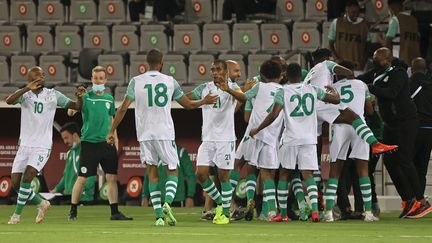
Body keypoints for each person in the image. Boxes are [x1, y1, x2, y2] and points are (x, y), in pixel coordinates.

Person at [107, 49, 216, 226]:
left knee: (152, 173)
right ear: (162, 62)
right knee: (172, 170)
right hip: (164, 132)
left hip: (144, 134)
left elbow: (123, 108)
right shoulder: (170, 81)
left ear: (146, 63)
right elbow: (187, 105)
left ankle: (158, 216)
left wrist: (112, 131)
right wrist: (204, 101)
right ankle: (167, 203)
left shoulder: (136, 81)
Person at [250, 62, 341, 223]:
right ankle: (314, 210)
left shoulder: (282, 91)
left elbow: (273, 115)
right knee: (308, 174)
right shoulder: (313, 89)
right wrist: (334, 91)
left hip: (290, 138)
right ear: (302, 75)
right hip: (309, 139)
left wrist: (257, 128)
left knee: (284, 174)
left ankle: (283, 213)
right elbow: (335, 100)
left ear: (287, 75)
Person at [5, 66, 84, 224]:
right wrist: (26, 88)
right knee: (15, 183)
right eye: (37, 76)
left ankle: (16, 216)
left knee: (27, 178)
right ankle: (41, 203)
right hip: (25, 145)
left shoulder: (53, 95)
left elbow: (76, 106)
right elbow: (9, 101)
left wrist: (80, 98)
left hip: (42, 145)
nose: (41, 77)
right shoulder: (25, 95)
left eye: (42, 75)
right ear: (30, 79)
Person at [368, 47, 431, 218]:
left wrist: (369, 88)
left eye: (377, 58)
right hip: (390, 124)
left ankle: (422, 201)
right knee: (389, 160)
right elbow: (362, 80)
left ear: (387, 59)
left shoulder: (399, 73)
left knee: (404, 158)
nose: (374, 61)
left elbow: (391, 93)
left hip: (406, 122)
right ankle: (408, 199)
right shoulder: (376, 73)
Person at [304, 48, 398, 155]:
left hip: (308, 108)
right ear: (327, 58)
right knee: (353, 117)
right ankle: (376, 144)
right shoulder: (326, 64)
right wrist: (350, 72)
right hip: (320, 103)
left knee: (316, 137)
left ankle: (315, 168)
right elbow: (347, 72)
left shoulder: (310, 73)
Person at [68, 66, 132, 221]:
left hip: (106, 144)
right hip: (89, 144)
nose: (98, 81)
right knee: (82, 178)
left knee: (111, 178)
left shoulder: (109, 99)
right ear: (92, 79)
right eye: (95, 78)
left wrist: (115, 141)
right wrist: (78, 99)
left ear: (105, 80)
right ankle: (73, 211)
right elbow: (70, 112)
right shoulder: (85, 96)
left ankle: (114, 212)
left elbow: (112, 122)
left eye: (101, 78)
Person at [188, 60, 246, 225]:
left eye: (218, 69)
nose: (214, 72)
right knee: (201, 174)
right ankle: (222, 203)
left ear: (225, 71)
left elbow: (245, 97)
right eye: (212, 69)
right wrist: (202, 102)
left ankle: (225, 213)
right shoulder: (205, 88)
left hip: (225, 140)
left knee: (223, 176)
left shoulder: (232, 87)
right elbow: (185, 99)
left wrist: (228, 90)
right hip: (207, 139)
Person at [324, 60, 379, 222]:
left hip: (340, 126)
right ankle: (368, 213)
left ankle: (328, 213)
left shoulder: (332, 87)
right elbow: (369, 110)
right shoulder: (362, 85)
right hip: (358, 126)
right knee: (363, 170)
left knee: (335, 170)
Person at [235, 60, 284, 222]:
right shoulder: (284, 91)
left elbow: (242, 97)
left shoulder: (258, 86)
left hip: (253, 133)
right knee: (267, 173)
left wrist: (234, 89)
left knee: (243, 166)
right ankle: (271, 211)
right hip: (272, 137)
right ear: (281, 76)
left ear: (262, 75)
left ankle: (245, 201)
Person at [51, 122, 96, 204]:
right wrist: (56, 190)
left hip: (84, 199)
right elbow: (66, 176)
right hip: (70, 198)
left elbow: (92, 175)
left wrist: (81, 189)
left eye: (66, 138)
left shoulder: (86, 150)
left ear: (75, 135)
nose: (65, 141)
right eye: (63, 139)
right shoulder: (70, 153)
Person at [409, 57, 432, 216]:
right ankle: (419, 203)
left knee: (408, 165)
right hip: (429, 130)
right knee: (421, 169)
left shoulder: (407, 85)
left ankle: (413, 199)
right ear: (425, 70)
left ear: (411, 68)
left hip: (412, 130)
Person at [328, 0, 371, 70]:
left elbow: (368, 46)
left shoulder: (364, 25)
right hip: (341, 65)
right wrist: (337, 59)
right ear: (346, 10)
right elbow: (330, 45)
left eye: (357, 12)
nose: (356, 15)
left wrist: (363, 62)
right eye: (353, 12)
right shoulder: (336, 23)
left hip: (357, 65)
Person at [385, 0, 421, 65]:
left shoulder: (395, 20)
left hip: (398, 58)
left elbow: (388, 41)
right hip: (414, 60)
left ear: (391, 8)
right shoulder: (414, 20)